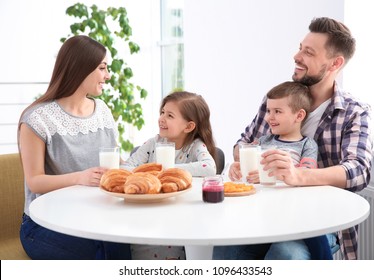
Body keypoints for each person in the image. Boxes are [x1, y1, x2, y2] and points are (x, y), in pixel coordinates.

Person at [228, 17, 373, 260]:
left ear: (335, 63)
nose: (297, 56)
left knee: (286, 253)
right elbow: (242, 144)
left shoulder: (354, 112)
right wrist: (246, 161)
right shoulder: (276, 100)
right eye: (299, 48)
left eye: (308, 52)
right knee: (227, 247)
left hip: (320, 221)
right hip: (264, 213)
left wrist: (298, 175)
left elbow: (359, 171)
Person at [18, 35, 132, 260]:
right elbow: (35, 181)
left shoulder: (103, 111)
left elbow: (115, 160)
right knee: (102, 251)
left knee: (123, 243)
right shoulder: (37, 119)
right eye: (102, 68)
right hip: (45, 223)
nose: (107, 76)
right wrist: (80, 177)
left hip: (95, 215)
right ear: (82, 68)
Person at [213, 81, 332, 260]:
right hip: (258, 210)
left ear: (299, 115)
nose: (269, 117)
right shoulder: (262, 142)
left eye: (277, 111)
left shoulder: (307, 145)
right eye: (268, 111)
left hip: (290, 211)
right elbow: (249, 173)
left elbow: (305, 175)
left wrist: (276, 175)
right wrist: (237, 169)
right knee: (223, 241)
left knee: (309, 237)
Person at [123, 90, 217, 259]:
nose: (162, 118)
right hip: (148, 213)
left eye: (170, 116)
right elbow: (130, 166)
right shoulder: (153, 143)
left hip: (179, 216)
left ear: (188, 126)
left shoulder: (194, 146)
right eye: (162, 112)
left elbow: (209, 167)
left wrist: (169, 172)